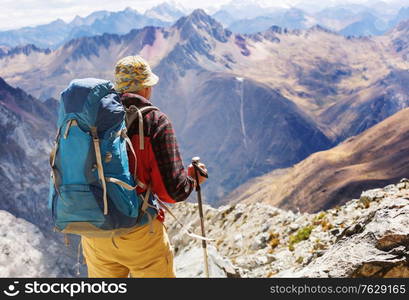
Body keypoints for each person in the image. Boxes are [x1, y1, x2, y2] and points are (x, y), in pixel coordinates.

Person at [81, 55, 207, 278]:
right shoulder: (154, 121)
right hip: (138, 231)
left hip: (94, 228)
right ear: (146, 88)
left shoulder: (93, 117)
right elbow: (171, 192)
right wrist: (193, 180)